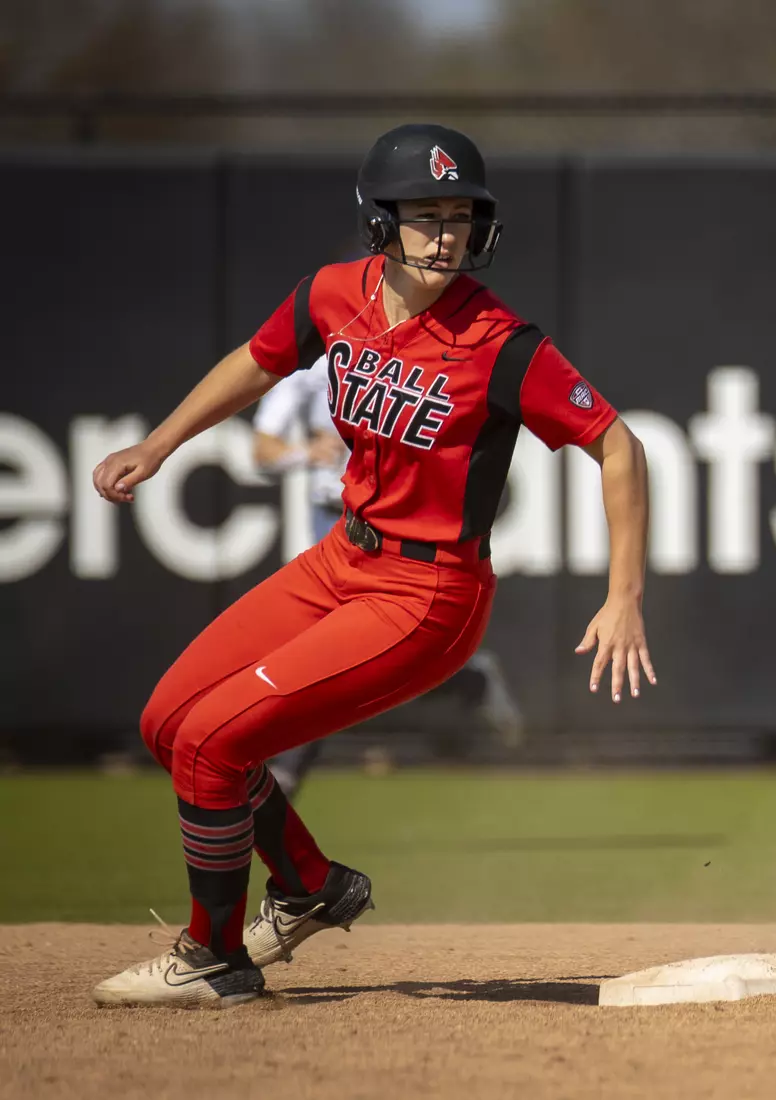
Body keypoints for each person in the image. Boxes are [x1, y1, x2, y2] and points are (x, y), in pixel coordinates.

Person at [89, 123, 654, 1008]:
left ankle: (214, 956)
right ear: (378, 221)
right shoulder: (330, 296)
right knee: (169, 723)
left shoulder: (502, 344)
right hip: (339, 560)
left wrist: (624, 597)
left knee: (212, 741)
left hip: (427, 595)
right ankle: (311, 884)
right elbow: (258, 361)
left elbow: (616, 443)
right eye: (425, 215)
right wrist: (158, 446)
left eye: (461, 215)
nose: (447, 235)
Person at [251, 359, 525, 799]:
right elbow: (262, 452)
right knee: (332, 648)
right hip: (334, 520)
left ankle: (470, 679)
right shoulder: (311, 368)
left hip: (399, 516)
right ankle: (288, 767)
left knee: (385, 649)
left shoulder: (404, 354)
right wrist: (307, 453)